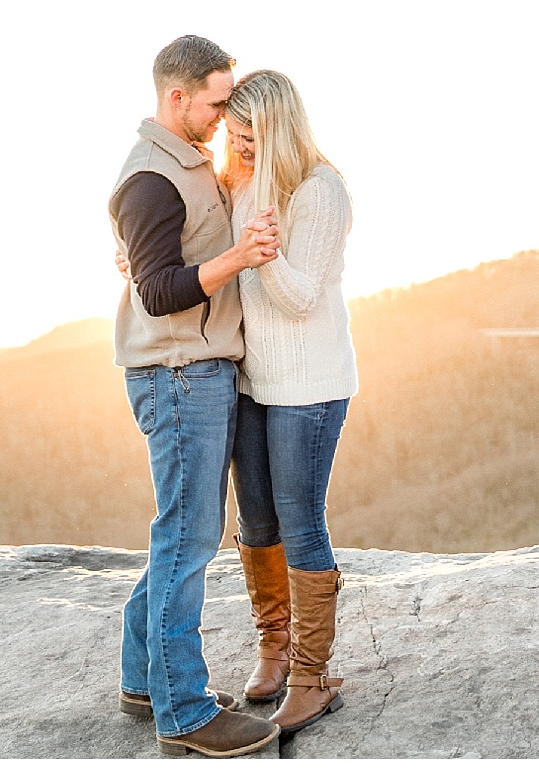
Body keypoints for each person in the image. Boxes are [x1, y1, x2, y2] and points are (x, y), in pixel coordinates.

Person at [108, 35, 284, 758]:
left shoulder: (185, 163)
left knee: (181, 530)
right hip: (179, 372)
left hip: (196, 369)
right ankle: (182, 710)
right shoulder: (152, 177)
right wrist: (239, 258)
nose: (222, 113)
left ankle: (142, 679)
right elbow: (156, 293)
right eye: (215, 101)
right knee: (187, 535)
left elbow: (153, 259)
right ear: (177, 96)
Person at [218, 69, 357, 735]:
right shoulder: (241, 179)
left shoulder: (320, 189)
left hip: (308, 386)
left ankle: (311, 675)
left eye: (249, 137)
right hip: (252, 381)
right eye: (232, 135)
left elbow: (299, 297)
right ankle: (273, 646)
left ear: (276, 130)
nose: (237, 146)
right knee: (257, 521)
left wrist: (262, 254)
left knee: (301, 521)